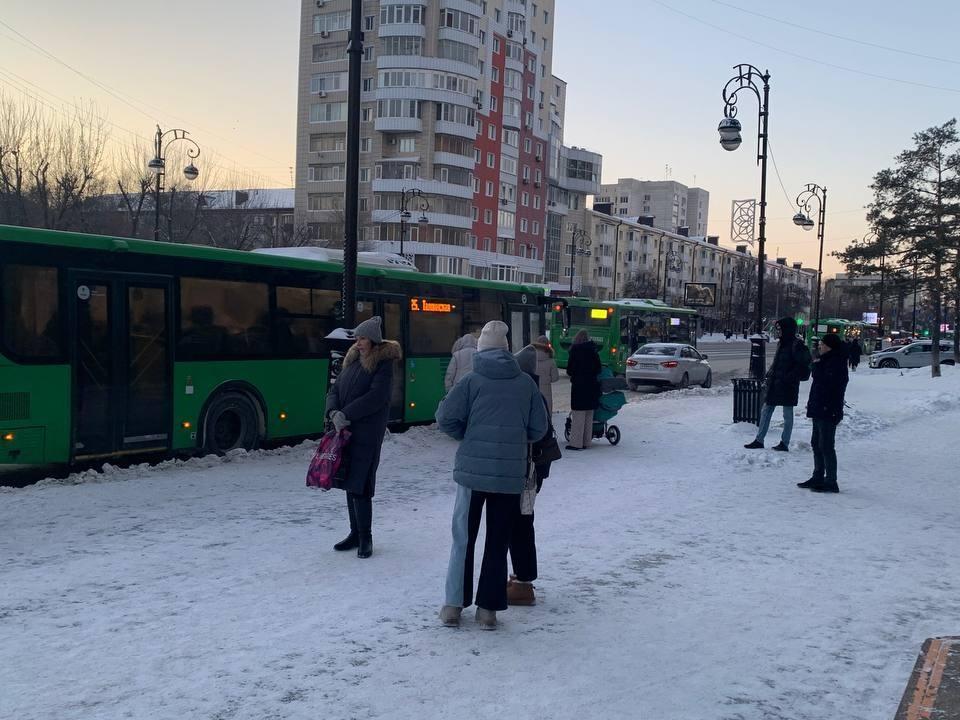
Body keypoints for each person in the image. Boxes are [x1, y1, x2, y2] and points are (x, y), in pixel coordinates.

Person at [436, 321, 549, 630]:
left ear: (482, 349)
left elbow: (444, 418)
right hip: (509, 477)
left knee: (463, 538)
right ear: (506, 349)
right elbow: (539, 429)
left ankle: (453, 606)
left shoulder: (471, 381)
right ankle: (488, 611)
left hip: (472, 475)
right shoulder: (525, 383)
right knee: (497, 541)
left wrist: (466, 436)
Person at [324, 316, 401, 559]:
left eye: (363, 338)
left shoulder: (383, 364)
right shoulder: (353, 360)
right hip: (346, 431)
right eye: (357, 338)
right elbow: (335, 389)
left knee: (361, 485)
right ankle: (354, 533)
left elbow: (377, 397)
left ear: (374, 340)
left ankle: (365, 537)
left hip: (367, 433)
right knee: (349, 482)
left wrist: (346, 413)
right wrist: (333, 411)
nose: (358, 342)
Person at [506, 345, 558, 607]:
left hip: (527, 470)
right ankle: (521, 577)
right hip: (533, 470)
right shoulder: (534, 391)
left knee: (520, 524)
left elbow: (535, 432)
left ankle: (524, 582)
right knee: (522, 522)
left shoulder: (528, 393)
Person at [744, 317, 812, 452]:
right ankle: (759, 440)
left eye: (780, 329)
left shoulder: (796, 345)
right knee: (766, 410)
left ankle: (784, 443)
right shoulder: (782, 343)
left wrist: (788, 377)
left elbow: (803, 365)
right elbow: (777, 363)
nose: (779, 332)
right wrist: (770, 375)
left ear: (787, 329)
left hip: (787, 385)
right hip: (776, 383)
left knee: (787, 414)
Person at [798, 333, 849, 494]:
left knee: (826, 445)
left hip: (829, 409)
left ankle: (831, 481)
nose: (819, 347)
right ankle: (818, 475)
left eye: (822, 345)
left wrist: (816, 366)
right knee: (816, 443)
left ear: (830, 347)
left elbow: (829, 383)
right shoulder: (824, 361)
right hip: (819, 407)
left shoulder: (836, 362)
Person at [566, 330, 601, 451]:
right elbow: (598, 368)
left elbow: (570, 370)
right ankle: (587, 442)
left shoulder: (575, 351)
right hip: (592, 386)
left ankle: (576, 443)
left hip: (579, 387)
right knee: (588, 416)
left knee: (578, 416)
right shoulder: (593, 350)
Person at [532, 335, 560, 413]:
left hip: (533, 386)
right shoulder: (551, 360)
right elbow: (555, 378)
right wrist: (546, 379)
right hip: (546, 389)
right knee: (547, 409)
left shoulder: (531, 357)